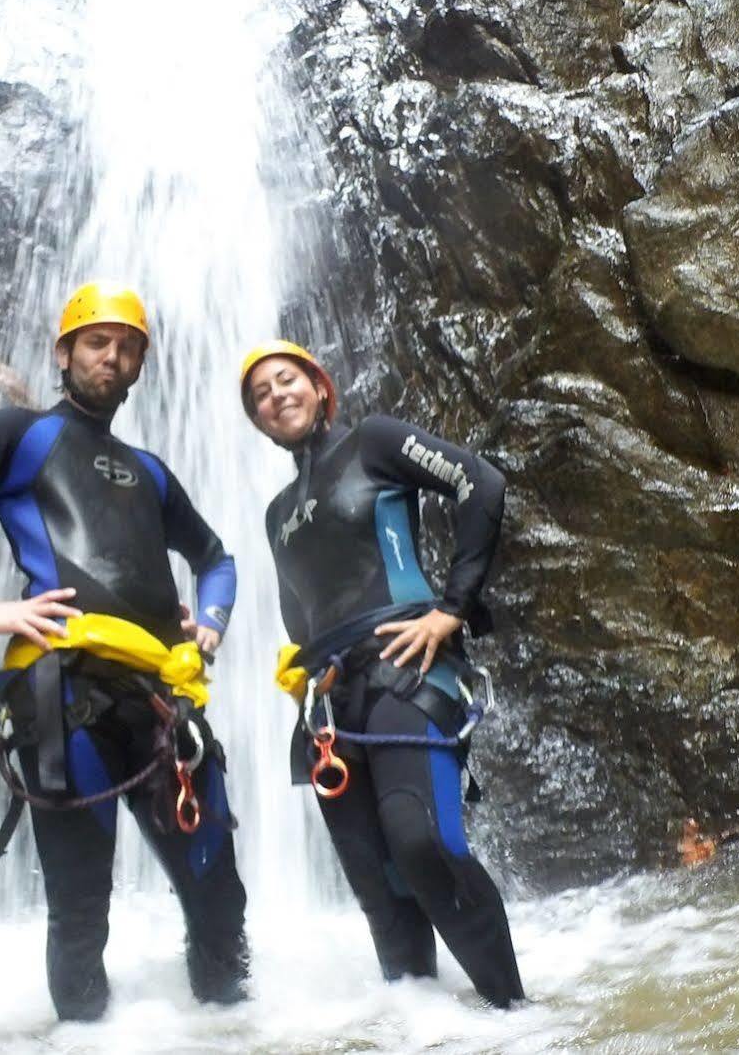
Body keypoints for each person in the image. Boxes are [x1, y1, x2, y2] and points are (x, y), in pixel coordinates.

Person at [0, 283, 248, 1021]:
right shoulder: (21, 434)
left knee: (218, 899)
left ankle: (234, 1034)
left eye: (127, 345)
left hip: (165, 703)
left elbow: (215, 557)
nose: (113, 355)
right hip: (67, 698)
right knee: (80, 913)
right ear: (64, 351)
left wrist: (211, 619)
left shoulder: (150, 472)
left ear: (140, 364)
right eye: (97, 341)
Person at [239, 339, 524, 1008]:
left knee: (423, 842)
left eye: (286, 380)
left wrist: (452, 609)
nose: (275, 395)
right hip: (333, 702)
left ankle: (516, 1024)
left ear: (318, 387)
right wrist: (308, 677)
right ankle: (420, 1029)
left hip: (406, 667)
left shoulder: (371, 442)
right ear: (256, 420)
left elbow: (479, 482)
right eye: (259, 394)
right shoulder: (276, 514)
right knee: (378, 883)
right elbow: (297, 610)